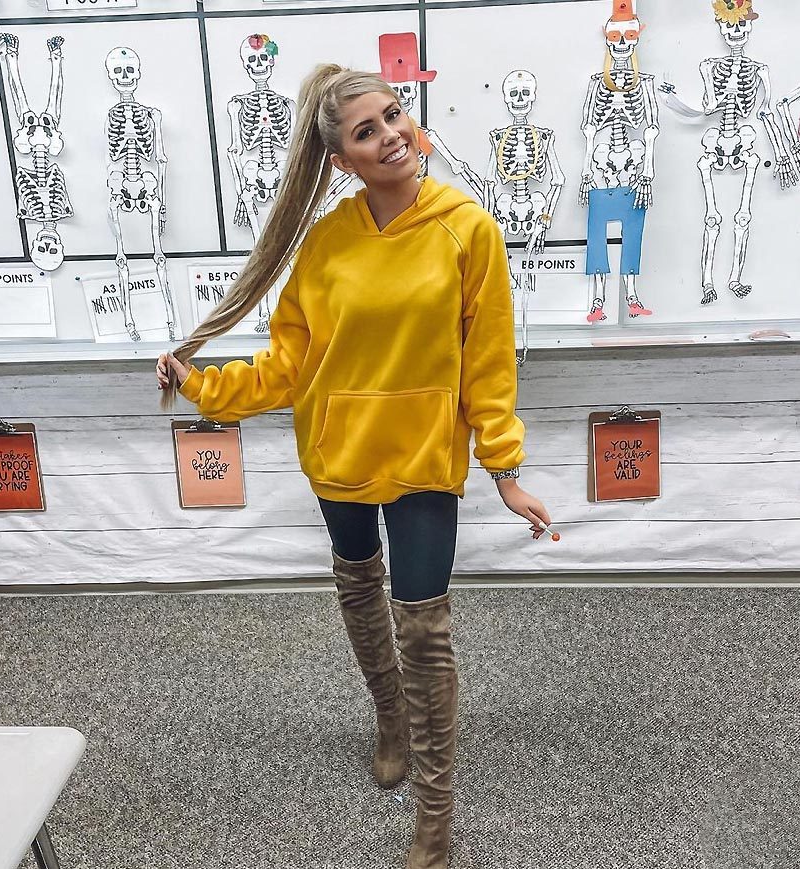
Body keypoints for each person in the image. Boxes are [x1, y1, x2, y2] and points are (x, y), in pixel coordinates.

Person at [156, 63, 551, 869]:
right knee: (357, 588)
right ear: (341, 159)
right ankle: (387, 720)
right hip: (337, 454)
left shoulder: (465, 228)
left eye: (393, 115)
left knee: (425, 627)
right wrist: (201, 382)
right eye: (365, 131)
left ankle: (434, 820)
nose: (389, 135)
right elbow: (285, 367)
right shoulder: (325, 244)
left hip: (422, 460)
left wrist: (505, 467)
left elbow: (488, 362)